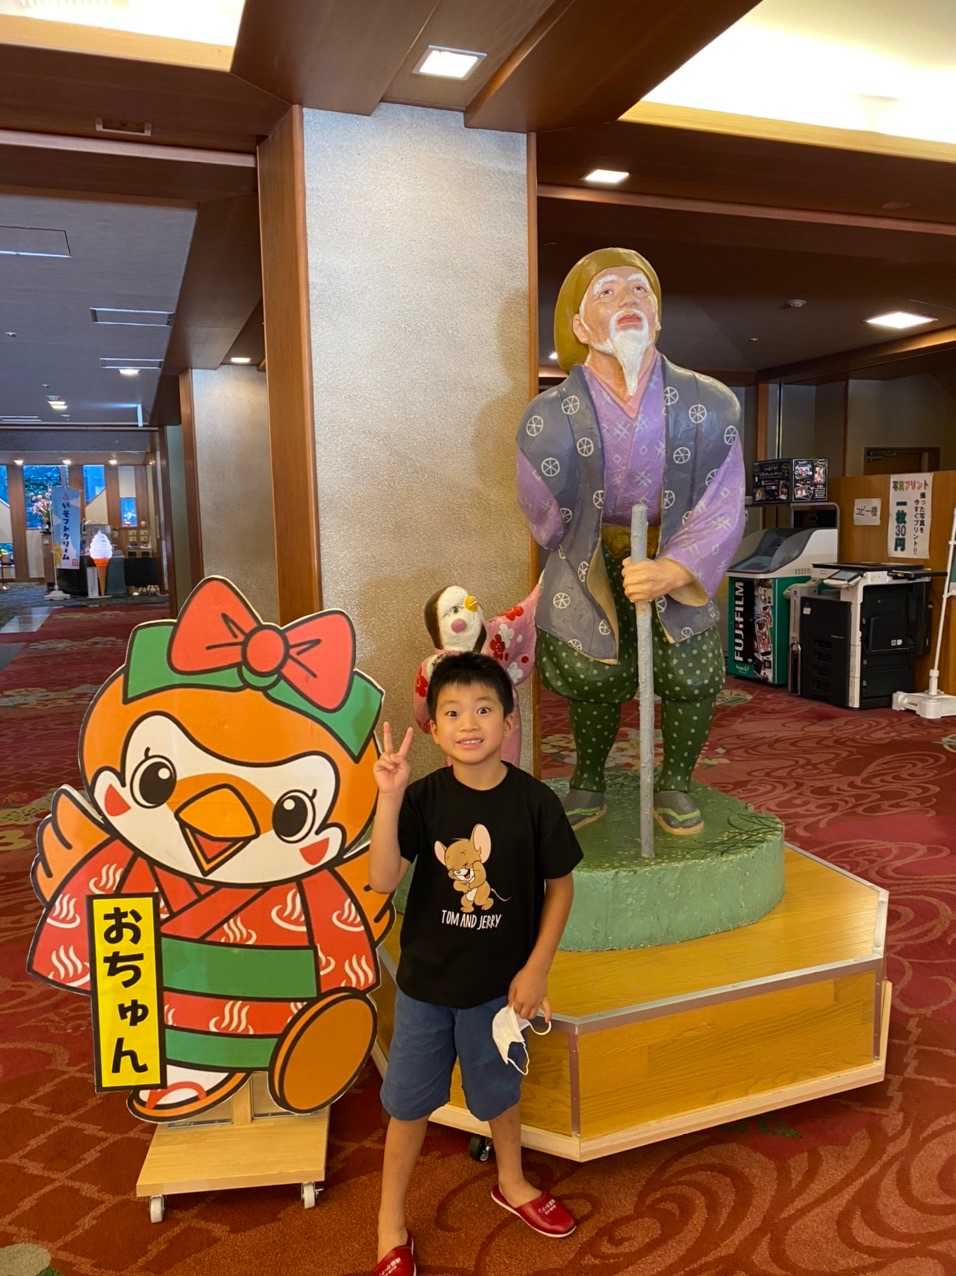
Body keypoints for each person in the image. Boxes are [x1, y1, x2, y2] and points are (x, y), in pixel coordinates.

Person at [516, 247, 746, 835]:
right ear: (579, 326)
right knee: (593, 671)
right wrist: (583, 536)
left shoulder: (709, 404)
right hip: (591, 553)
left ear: (658, 317)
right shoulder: (550, 414)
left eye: (640, 290)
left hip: (675, 550)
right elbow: (542, 513)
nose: (628, 300)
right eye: (608, 292)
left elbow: (723, 498)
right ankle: (588, 777)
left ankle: (676, 783)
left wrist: (677, 567)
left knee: (690, 670)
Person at [369, 651, 581, 1276]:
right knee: (407, 1105)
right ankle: (389, 1221)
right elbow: (382, 878)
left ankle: (511, 1181)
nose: (469, 723)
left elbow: (561, 886)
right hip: (426, 988)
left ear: (509, 722)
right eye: (453, 712)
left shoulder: (534, 802)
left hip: (499, 991)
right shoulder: (423, 800)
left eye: (484, 709)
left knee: (499, 1094)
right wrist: (389, 798)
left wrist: (537, 968)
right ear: (434, 728)